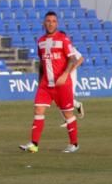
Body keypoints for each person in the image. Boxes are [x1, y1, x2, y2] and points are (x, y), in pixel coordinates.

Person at [19, 11, 84, 153]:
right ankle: (34, 144)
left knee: (68, 114)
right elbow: (42, 63)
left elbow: (72, 59)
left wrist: (65, 74)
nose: (50, 23)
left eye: (53, 21)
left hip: (62, 84)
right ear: (44, 23)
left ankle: (74, 144)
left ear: (57, 23)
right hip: (45, 85)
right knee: (38, 110)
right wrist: (39, 82)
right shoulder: (40, 41)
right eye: (48, 21)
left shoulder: (64, 39)